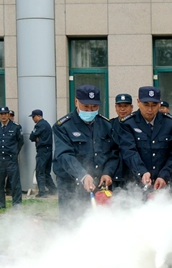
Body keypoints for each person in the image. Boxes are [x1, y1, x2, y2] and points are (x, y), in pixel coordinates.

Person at [53, 85, 119, 220]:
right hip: (71, 186)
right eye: (86, 107)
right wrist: (82, 175)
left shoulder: (106, 125)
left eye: (94, 107)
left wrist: (108, 172)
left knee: (98, 224)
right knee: (71, 224)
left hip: (98, 185)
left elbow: (114, 153)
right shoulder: (63, 126)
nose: (90, 110)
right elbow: (64, 155)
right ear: (76, 101)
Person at [118, 86, 172, 190]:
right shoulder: (128, 123)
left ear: (160, 103)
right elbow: (129, 151)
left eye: (154, 105)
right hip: (137, 185)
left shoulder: (170, 124)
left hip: (164, 185)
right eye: (146, 104)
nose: (150, 109)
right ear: (138, 102)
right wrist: (142, 172)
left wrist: (164, 176)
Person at [0, 106, 23, 209]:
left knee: (15, 184)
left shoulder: (16, 127)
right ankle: (0, 204)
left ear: (9, 115)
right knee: (0, 184)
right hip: (0, 159)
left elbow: (20, 142)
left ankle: (17, 205)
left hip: (11, 159)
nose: (3, 116)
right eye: (1, 114)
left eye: (5, 114)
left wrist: (15, 153)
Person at [28, 109, 57, 198]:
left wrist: (36, 137)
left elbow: (32, 136)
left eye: (33, 117)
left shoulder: (39, 125)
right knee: (46, 172)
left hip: (42, 151)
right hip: (49, 150)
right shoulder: (47, 124)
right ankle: (53, 190)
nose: (33, 119)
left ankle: (42, 192)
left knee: (40, 171)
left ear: (38, 116)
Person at [110, 93, 134, 189]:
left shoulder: (137, 124)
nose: (122, 109)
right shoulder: (110, 124)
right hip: (115, 172)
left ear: (131, 107)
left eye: (125, 106)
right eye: (119, 106)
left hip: (132, 172)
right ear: (115, 107)